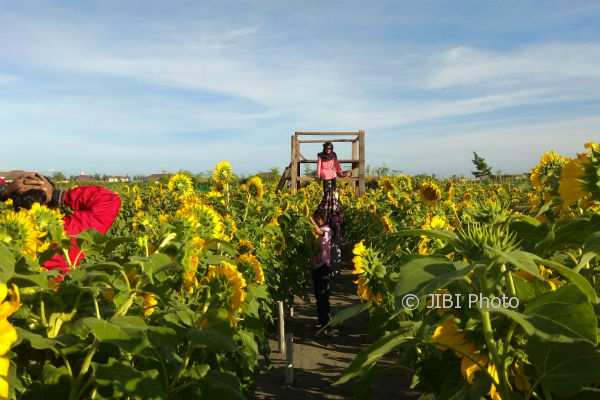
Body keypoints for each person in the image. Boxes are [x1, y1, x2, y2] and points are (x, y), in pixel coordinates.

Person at [0, 172, 121, 276]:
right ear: (52, 204)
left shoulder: (7, 236)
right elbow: (110, 200)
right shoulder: (66, 234)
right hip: (58, 298)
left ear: (11, 202)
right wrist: (58, 195)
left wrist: (4, 191)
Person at [315, 142, 346, 260]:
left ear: (332, 149)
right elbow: (318, 166)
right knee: (327, 193)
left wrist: (341, 172)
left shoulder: (334, 155)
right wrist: (318, 175)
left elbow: (337, 165)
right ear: (324, 149)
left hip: (332, 175)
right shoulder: (320, 155)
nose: (328, 150)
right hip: (324, 174)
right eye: (327, 148)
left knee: (333, 192)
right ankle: (327, 207)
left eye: (330, 148)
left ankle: (333, 206)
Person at [309, 210, 333, 331]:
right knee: (319, 296)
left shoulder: (327, 229)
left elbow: (319, 232)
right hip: (316, 266)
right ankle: (321, 321)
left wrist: (309, 220)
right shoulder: (320, 229)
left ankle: (326, 323)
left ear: (320, 218)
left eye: (316, 218)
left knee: (324, 295)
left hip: (323, 266)